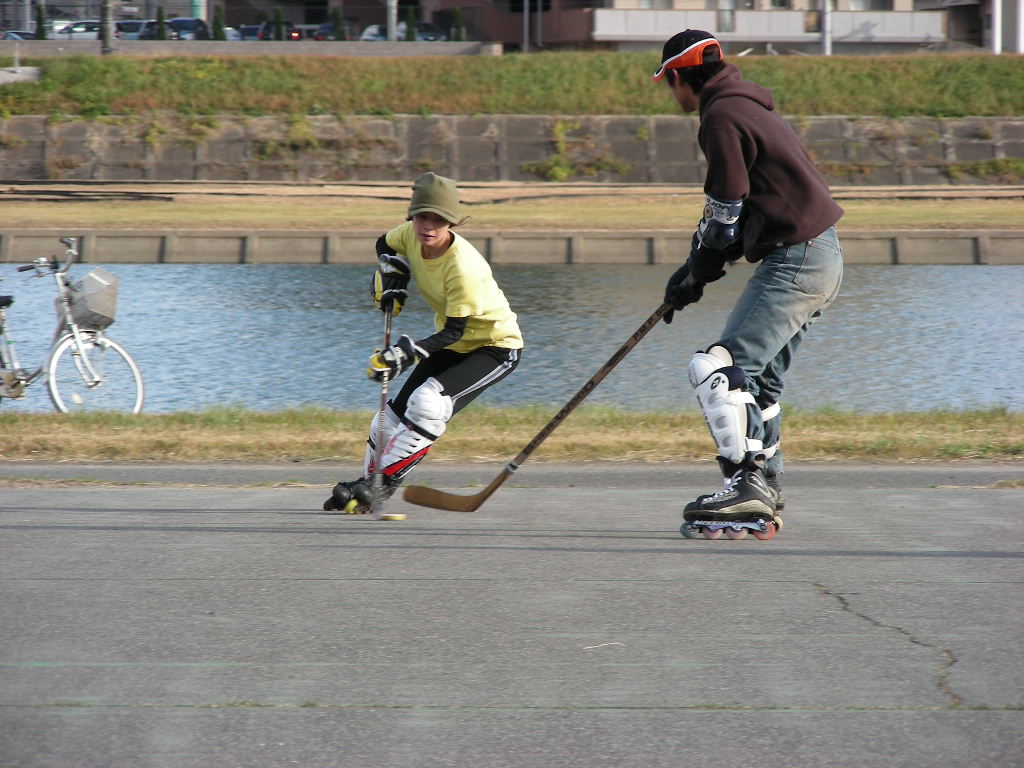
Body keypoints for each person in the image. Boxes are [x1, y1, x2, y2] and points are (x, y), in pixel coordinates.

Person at [653, 29, 844, 526]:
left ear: (678, 77)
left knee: (717, 367)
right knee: (758, 384)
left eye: (667, 83)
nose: (669, 92)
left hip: (797, 258)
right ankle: (767, 487)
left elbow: (725, 215)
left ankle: (744, 483)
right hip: (820, 256)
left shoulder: (720, 116)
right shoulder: (746, 107)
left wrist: (697, 269)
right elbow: (737, 219)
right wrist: (693, 271)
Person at [325, 172, 524, 513]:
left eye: (439, 219)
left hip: (494, 347)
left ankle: (382, 484)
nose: (428, 226)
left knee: (428, 405)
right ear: (411, 216)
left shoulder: (463, 268)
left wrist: (406, 353)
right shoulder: (409, 235)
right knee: (385, 421)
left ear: (451, 222)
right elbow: (384, 244)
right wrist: (394, 278)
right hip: (456, 342)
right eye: (421, 216)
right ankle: (366, 486)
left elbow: (455, 331)